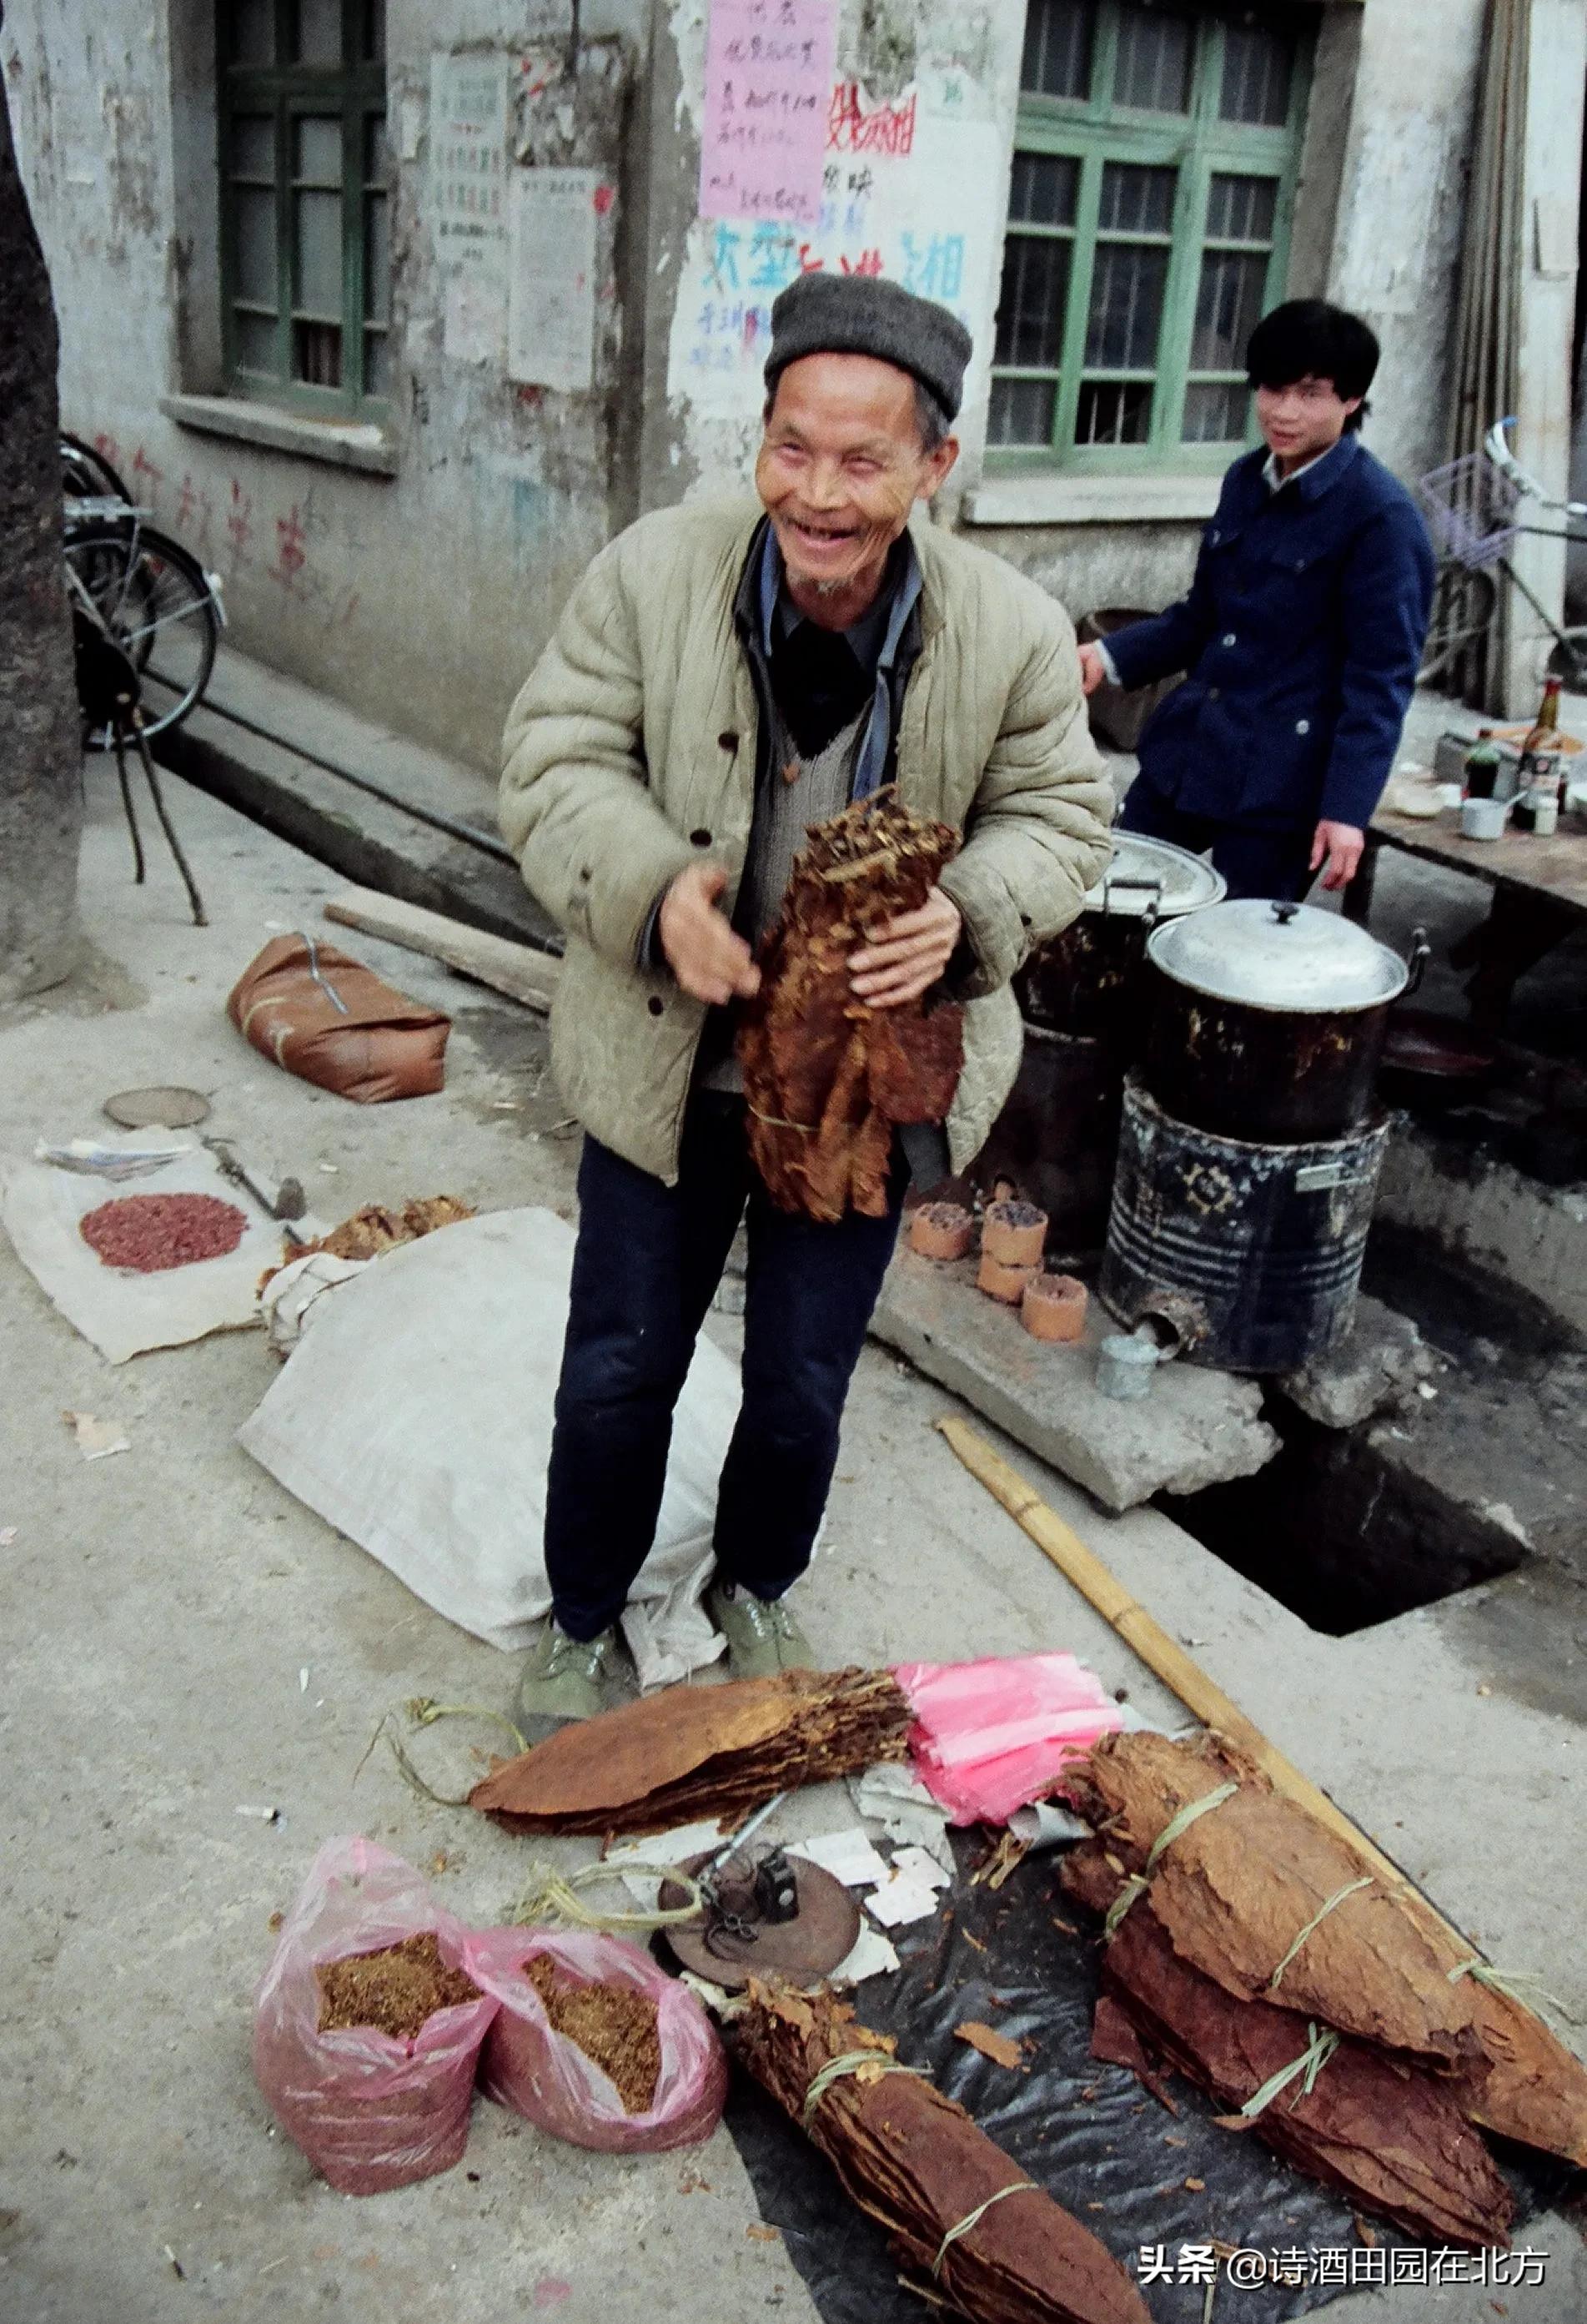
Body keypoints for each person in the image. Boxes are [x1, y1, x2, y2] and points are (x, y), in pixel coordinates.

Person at [500, 272, 1113, 1736]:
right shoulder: (652, 574)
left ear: (931, 464)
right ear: (759, 437)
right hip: (668, 1064)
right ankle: (582, 1616)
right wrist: (652, 886)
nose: (817, 495)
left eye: (860, 460)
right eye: (790, 448)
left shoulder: (1011, 629)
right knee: (617, 1368)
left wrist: (967, 912)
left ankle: (756, 1583)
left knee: (798, 1381)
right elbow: (553, 757)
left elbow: (1062, 815)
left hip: (859, 1089)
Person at [1079, 299, 1435, 900]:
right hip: (1189, 755)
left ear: (1351, 400)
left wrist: (1346, 810)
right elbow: (1203, 617)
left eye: (1309, 393)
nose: (1283, 412)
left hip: (1280, 788)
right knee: (1111, 902)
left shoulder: (1381, 518)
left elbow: (1380, 679)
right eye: (1272, 389)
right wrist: (1106, 656)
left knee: (1231, 943)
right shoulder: (1245, 479)